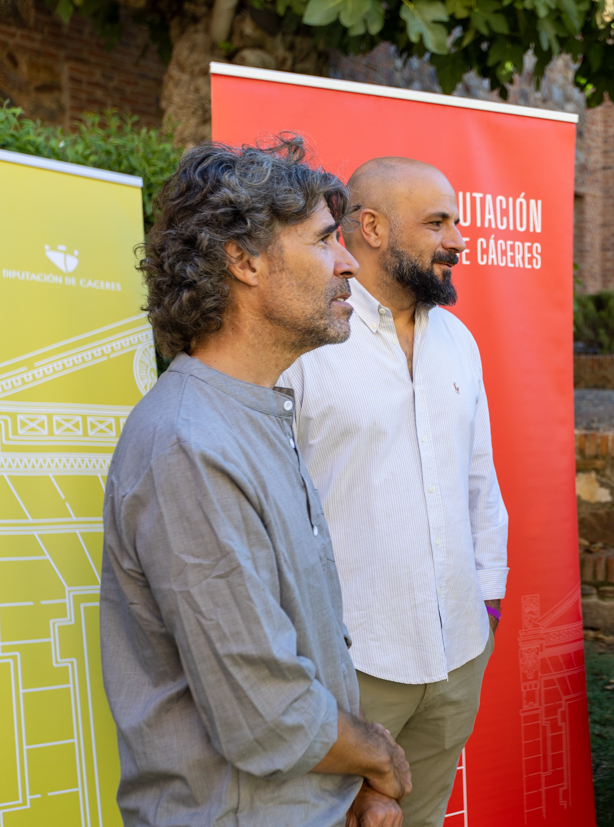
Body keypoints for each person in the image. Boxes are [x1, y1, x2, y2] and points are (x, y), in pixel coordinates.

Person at [99, 137, 411, 827]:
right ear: (241, 260)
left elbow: (300, 647)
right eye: (326, 240)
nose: (350, 263)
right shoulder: (189, 445)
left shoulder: (254, 410)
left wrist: (350, 785)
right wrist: (376, 756)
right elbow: (263, 712)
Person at [280, 157, 508, 827]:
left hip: (458, 653)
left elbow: (480, 482)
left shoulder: (460, 341)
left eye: (456, 222)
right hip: (351, 667)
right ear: (371, 228)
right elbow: (273, 508)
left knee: (423, 818)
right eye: (438, 222)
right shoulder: (305, 342)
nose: (458, 241)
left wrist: (486, 608)